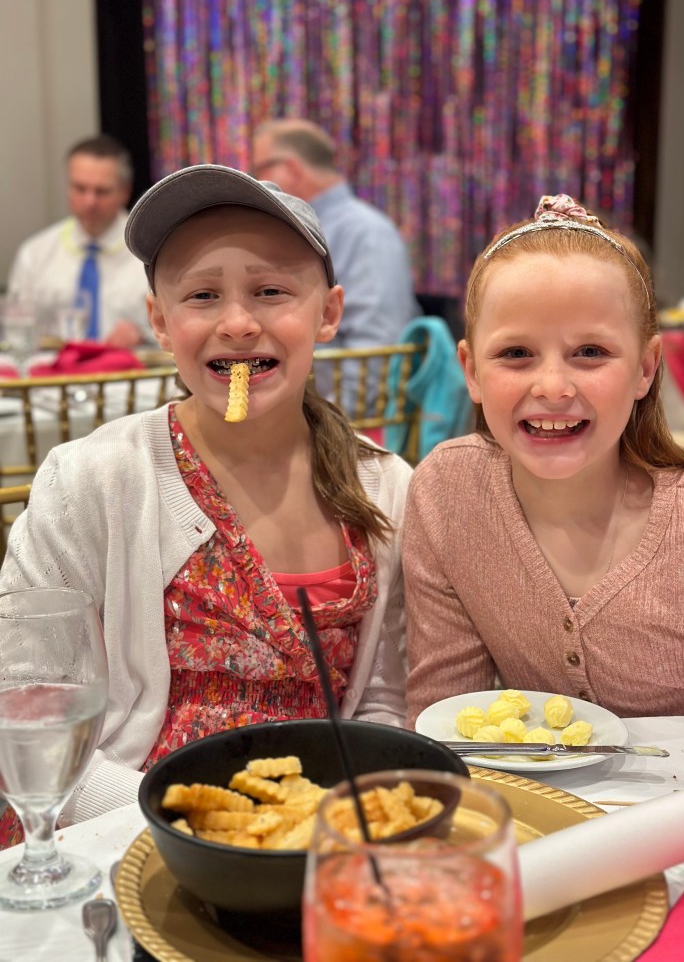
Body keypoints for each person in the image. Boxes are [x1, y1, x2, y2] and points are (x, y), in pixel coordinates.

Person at [0, 164, 410, 845]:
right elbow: (27, 702)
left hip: (316, 836)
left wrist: (327, 822)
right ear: (160, 321)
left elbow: (385, 698)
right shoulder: (90, 481)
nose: (239, 323)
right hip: (118, 832)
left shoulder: (389, 489)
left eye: (271, 291)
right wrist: (183, 824)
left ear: (329, 313)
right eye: (202, 295)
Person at [404, 193, 684, 727]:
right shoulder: (446, 491)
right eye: (516, 354)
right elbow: (445, 718)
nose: (552, 387)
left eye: (590, 353)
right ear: (472, 372)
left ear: (646, 368)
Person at [252, 119, 422, 413]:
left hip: (341, 419)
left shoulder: (365, 233)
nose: (255, 181)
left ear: (292, 169)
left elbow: (375, 352)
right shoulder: (297, 231)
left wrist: (325, 423)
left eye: (259, 170)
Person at [6, 135, 151, 347]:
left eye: (102, 191)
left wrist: (144, 336)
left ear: (125, 192)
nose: (90, 201)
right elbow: (15, 333)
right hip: (54, 367)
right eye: (80, 188)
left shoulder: (152, 252)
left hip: (132, 366)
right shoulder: (35, 254)